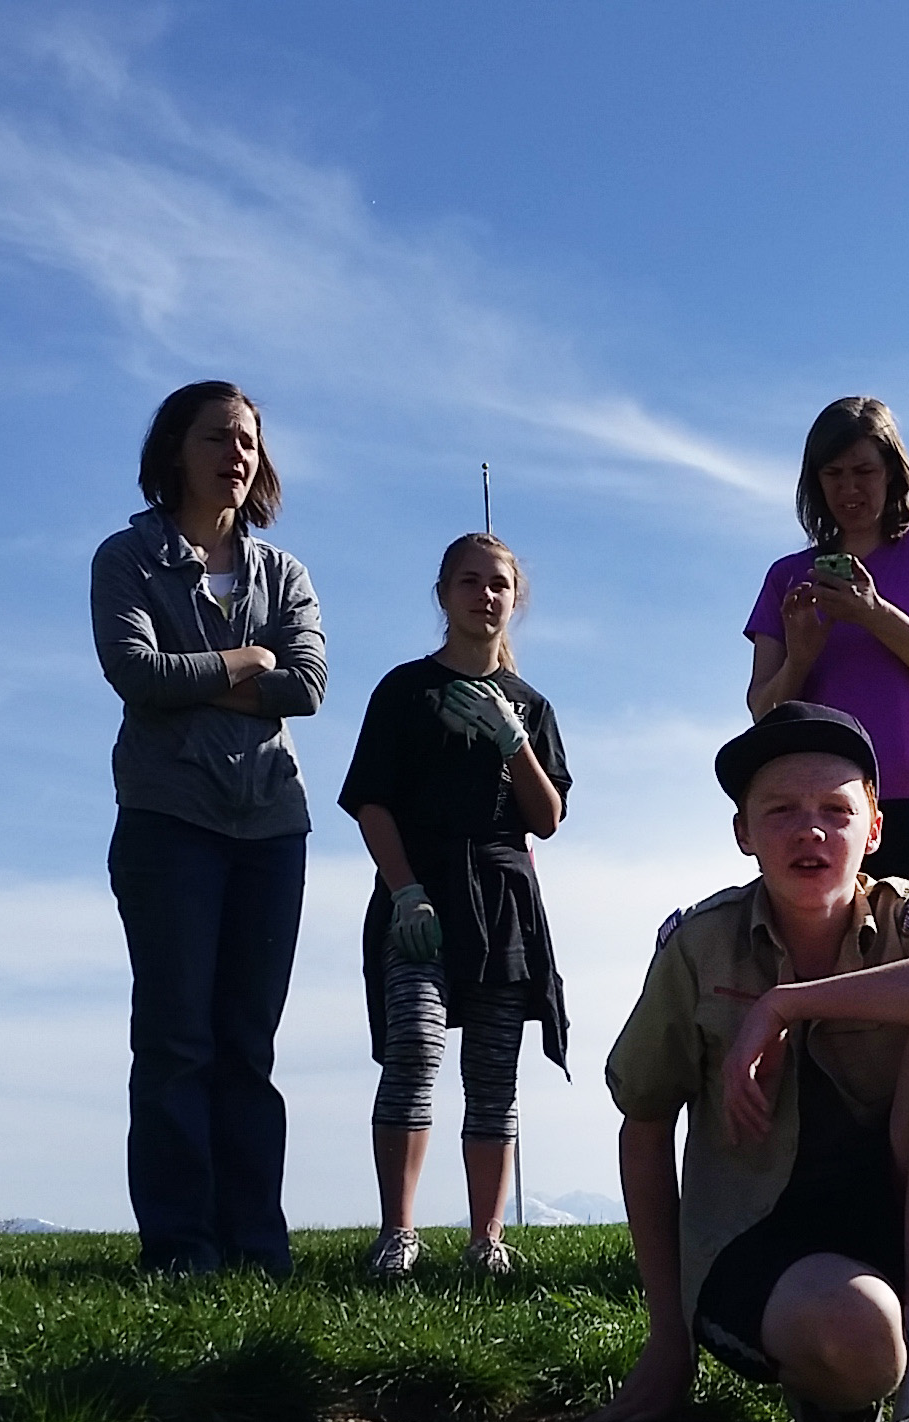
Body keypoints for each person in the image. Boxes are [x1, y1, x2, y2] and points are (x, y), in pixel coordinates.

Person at [588, 701, 909, 1422]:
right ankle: (830, 1383)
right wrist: (667, 1342)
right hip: (756, 1240)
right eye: (781, 810)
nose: (810, 831)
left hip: (898, 1226)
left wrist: (786, 1003)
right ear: (743, 833)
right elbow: (642, 1122)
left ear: (875, 829)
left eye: (835, 811)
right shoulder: (701, 945)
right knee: (863, 1340)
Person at [90, 381, 327, 1277]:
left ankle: (257, 1248)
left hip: (272, 826)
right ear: (174, 451)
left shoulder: (284, 574)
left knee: (247, 1045)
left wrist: (201, 677)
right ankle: (181, 1248)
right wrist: (242, 660)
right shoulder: (127, 558)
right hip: (169, 819)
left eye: (249, 441)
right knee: (175, 1041)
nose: (237, 455)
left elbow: (307, 685)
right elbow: (136, 672)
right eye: (218, 438)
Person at [337, 533, 572, 1280]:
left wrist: (513, 740)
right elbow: (371, 801)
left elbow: (547, 818)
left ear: (515, 598)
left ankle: (486, 1240)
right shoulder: (404, 690)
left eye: (498, 583)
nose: (485, 595)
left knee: (493, 1071)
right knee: (413, 1046)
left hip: (503, 902)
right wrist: (404, 890)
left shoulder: (532, 706)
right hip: (421, 894)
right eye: (469, 582)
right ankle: (397, 1234)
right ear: (443, 594)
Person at [742, 398, 909, 883]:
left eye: (864, 472)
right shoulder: (787, 576)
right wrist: (801, 658)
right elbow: (763, 713)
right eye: (833, 474)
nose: (849, 489)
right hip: (824, 807)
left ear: (892, 473)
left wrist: (874, 613)